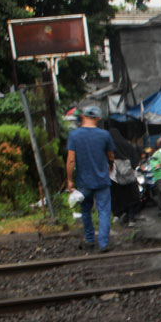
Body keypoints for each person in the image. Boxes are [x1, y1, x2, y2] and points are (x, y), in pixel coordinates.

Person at [66, 106, 115, 252]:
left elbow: (70, 160)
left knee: (85, 210)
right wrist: (110, 166)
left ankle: (89, 240)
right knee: (104, 211)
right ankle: (104, 243)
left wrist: (69, 180)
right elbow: (111, 156)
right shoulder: (105, 135)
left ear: (83, 116)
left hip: (84, 181)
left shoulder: (74, 135)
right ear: (98, 118)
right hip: (102, 180)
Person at [109, 128, 141, 227]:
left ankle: (118, 216)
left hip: (114, 177)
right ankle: (131, 218)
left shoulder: (109, 148)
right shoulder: (128, 146)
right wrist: (130, 169)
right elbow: (136, 160)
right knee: (131, 197)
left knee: (117, 197)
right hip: (129, 176)